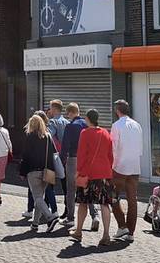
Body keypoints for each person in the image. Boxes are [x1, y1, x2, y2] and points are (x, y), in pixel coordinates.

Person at [71, 109, 114, 246]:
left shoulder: (85, 133)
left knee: (83, 202)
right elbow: (110, 155)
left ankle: (78, 231)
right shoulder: (106, 133)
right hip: (104, 173)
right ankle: (106, 235)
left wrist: (78, 172)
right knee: (104, 204)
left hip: (89, 173)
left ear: (88, 119)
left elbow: (82, 154)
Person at [19, 113, 59, 232]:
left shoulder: (30, 137)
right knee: (39, 197)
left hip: (33, 171)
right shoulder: (48, 136)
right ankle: (35, 224)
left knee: (37, 197)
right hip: (46, 171)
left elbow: (25, 156)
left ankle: (50, 217)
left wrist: (22, 172)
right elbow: (54, 154)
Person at [109, 99, 142, 242]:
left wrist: (112, 166)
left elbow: (113, 148)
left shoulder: (116, 126)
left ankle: (122, 226)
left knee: (113, 196)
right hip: (135, 166)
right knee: (132, 200)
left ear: (117, 110)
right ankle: (131, 232)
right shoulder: (137, 125)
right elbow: (140, 146)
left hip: (120, 167)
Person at [60, 103, 98, 228]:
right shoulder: (87, 124)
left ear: (70, 113)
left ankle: (70, 218)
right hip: (88, 160)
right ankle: (95, 215)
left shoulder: (70, 126)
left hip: (73, 159)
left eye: (68, 113)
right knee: (87, 187)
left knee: (71, 189)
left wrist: (61, 161)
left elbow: (65, 146)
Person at [47, 99, 70, 201]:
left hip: (54, 156)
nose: (50, 110)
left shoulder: (52, 122)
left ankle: (50, 208)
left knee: (49, 182)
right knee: (65, 182)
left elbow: (48, 136)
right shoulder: (67, 122)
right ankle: (67, 208)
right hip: (65, 156)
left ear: (55, 109)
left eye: (51, 108)